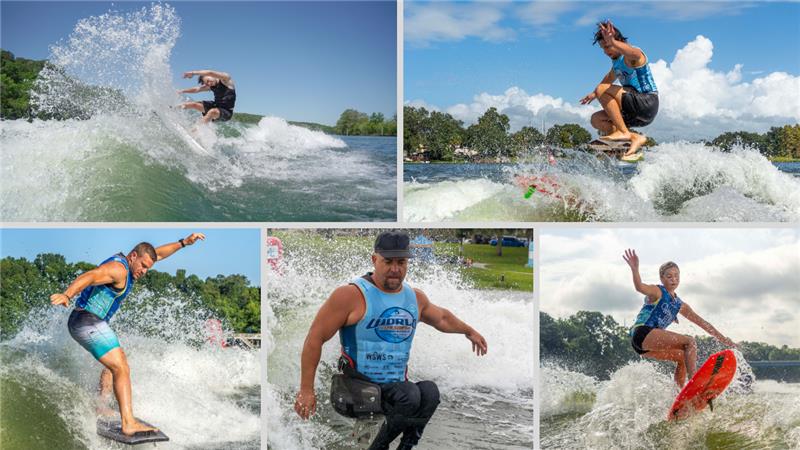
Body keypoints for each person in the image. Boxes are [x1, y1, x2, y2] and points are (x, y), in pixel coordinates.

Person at [294, 230, 488, 450]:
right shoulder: (350, 295)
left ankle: (405, 447)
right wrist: (306, 390)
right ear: (374, 260)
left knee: (430, 393)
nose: (395, 269)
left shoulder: (414, 298)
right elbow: (314, 338)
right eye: (388, 262)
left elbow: (442, 318)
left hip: (392, 391)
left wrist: (468, 331)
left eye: (401, 262)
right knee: (410, 395)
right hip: (354, 389)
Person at [50, 233, 206, 436]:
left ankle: (102, 405)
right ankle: (128, 422)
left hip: (90, 322)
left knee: (113, 365)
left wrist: (184, 243)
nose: (144, 271)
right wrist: (67, 294)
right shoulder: (119, 270)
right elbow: (91, 275)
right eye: (142, 265)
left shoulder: (135, 263)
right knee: (122, 365)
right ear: (133, 256)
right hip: (86, 321)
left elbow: (158, 254)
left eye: (148, 268)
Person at [623, 249, 735, 388]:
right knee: (690, 342)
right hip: (642, 333)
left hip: (643, 347)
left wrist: (723, 339)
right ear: (662, 278)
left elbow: (703, 323)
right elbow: (639, 287)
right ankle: (695, 383)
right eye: (669, 276)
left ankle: (679, 395)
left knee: (683, 357)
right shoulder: (657, 291)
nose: (673, 279)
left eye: (676, 276)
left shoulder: (679, 305)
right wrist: (635, 269)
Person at [580, 20, 659, 161]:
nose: (605, 51)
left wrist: (614, 42)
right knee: (597, 119)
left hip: (647, 102)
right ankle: (625, 146)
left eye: (608, 46)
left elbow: (636, 54)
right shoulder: (616, 64)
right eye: (603, 48)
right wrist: (593, 94)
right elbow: (608, 78)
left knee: (602, 90)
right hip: (635, 113)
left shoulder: (631, 56)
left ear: (619, 41)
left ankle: (623, 132)